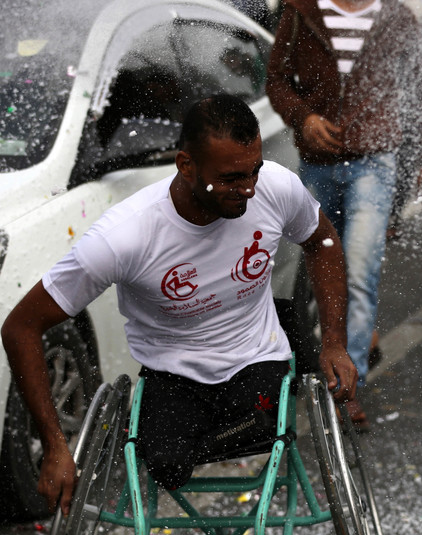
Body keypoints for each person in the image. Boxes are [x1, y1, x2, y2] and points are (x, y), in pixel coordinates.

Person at [1, 94, 357, 513]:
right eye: (230, 178)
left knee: (269, 426)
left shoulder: (274, 188)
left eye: (253, 172)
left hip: (257, 359)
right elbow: (20, 327)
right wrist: (56, 444)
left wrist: (333, 340)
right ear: (186, 165)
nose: (248, 190)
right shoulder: (125, 237)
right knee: (166, 465)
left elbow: (324, 242)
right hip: (172, 373)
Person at [266, 0, 422, 426]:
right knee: (322, 273)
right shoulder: (301, 8)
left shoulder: (395, 15)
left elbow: (421, 87)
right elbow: (276, 80)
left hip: (375, 162)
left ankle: (345, 388)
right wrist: (303, 118)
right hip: (317, 162)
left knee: (359, 271)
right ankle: (326, 356)